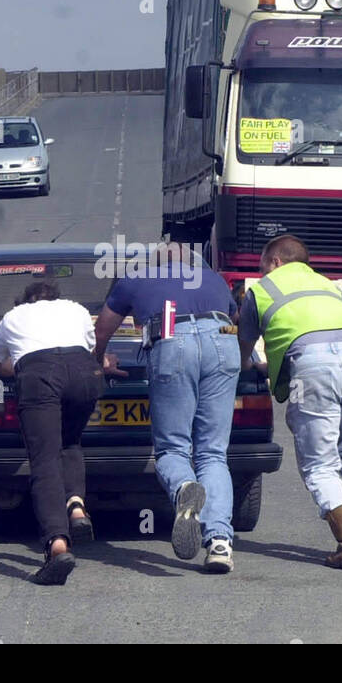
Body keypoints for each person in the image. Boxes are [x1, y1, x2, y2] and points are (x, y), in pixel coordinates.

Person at [237, 235, 342, 568]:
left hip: (313, 369)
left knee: (319, 464)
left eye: (262, 266)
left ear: (276, 262)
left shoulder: (261, 289)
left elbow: (244, 352)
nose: (262, 272)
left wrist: (251, 367)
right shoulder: (328, 286)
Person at [93, 242, 241, 573]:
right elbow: (235, 320)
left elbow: (102, 329)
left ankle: (186, 489)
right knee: (213, 453)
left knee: (173, 448)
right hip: (222, 337)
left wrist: (98, 358)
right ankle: (219, 543)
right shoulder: (213, 278)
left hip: (173, 336)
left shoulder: (135, 278)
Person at [0, 281, 106, 585]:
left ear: (24, 300)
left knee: (45, 461)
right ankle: (77, 507)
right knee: (70, 442)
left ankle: (57, 545)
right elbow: (91, 349)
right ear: (56, 298)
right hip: (84, 373)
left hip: (40, 375)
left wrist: (18, 370)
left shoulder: (13, 317)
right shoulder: (76, 309)